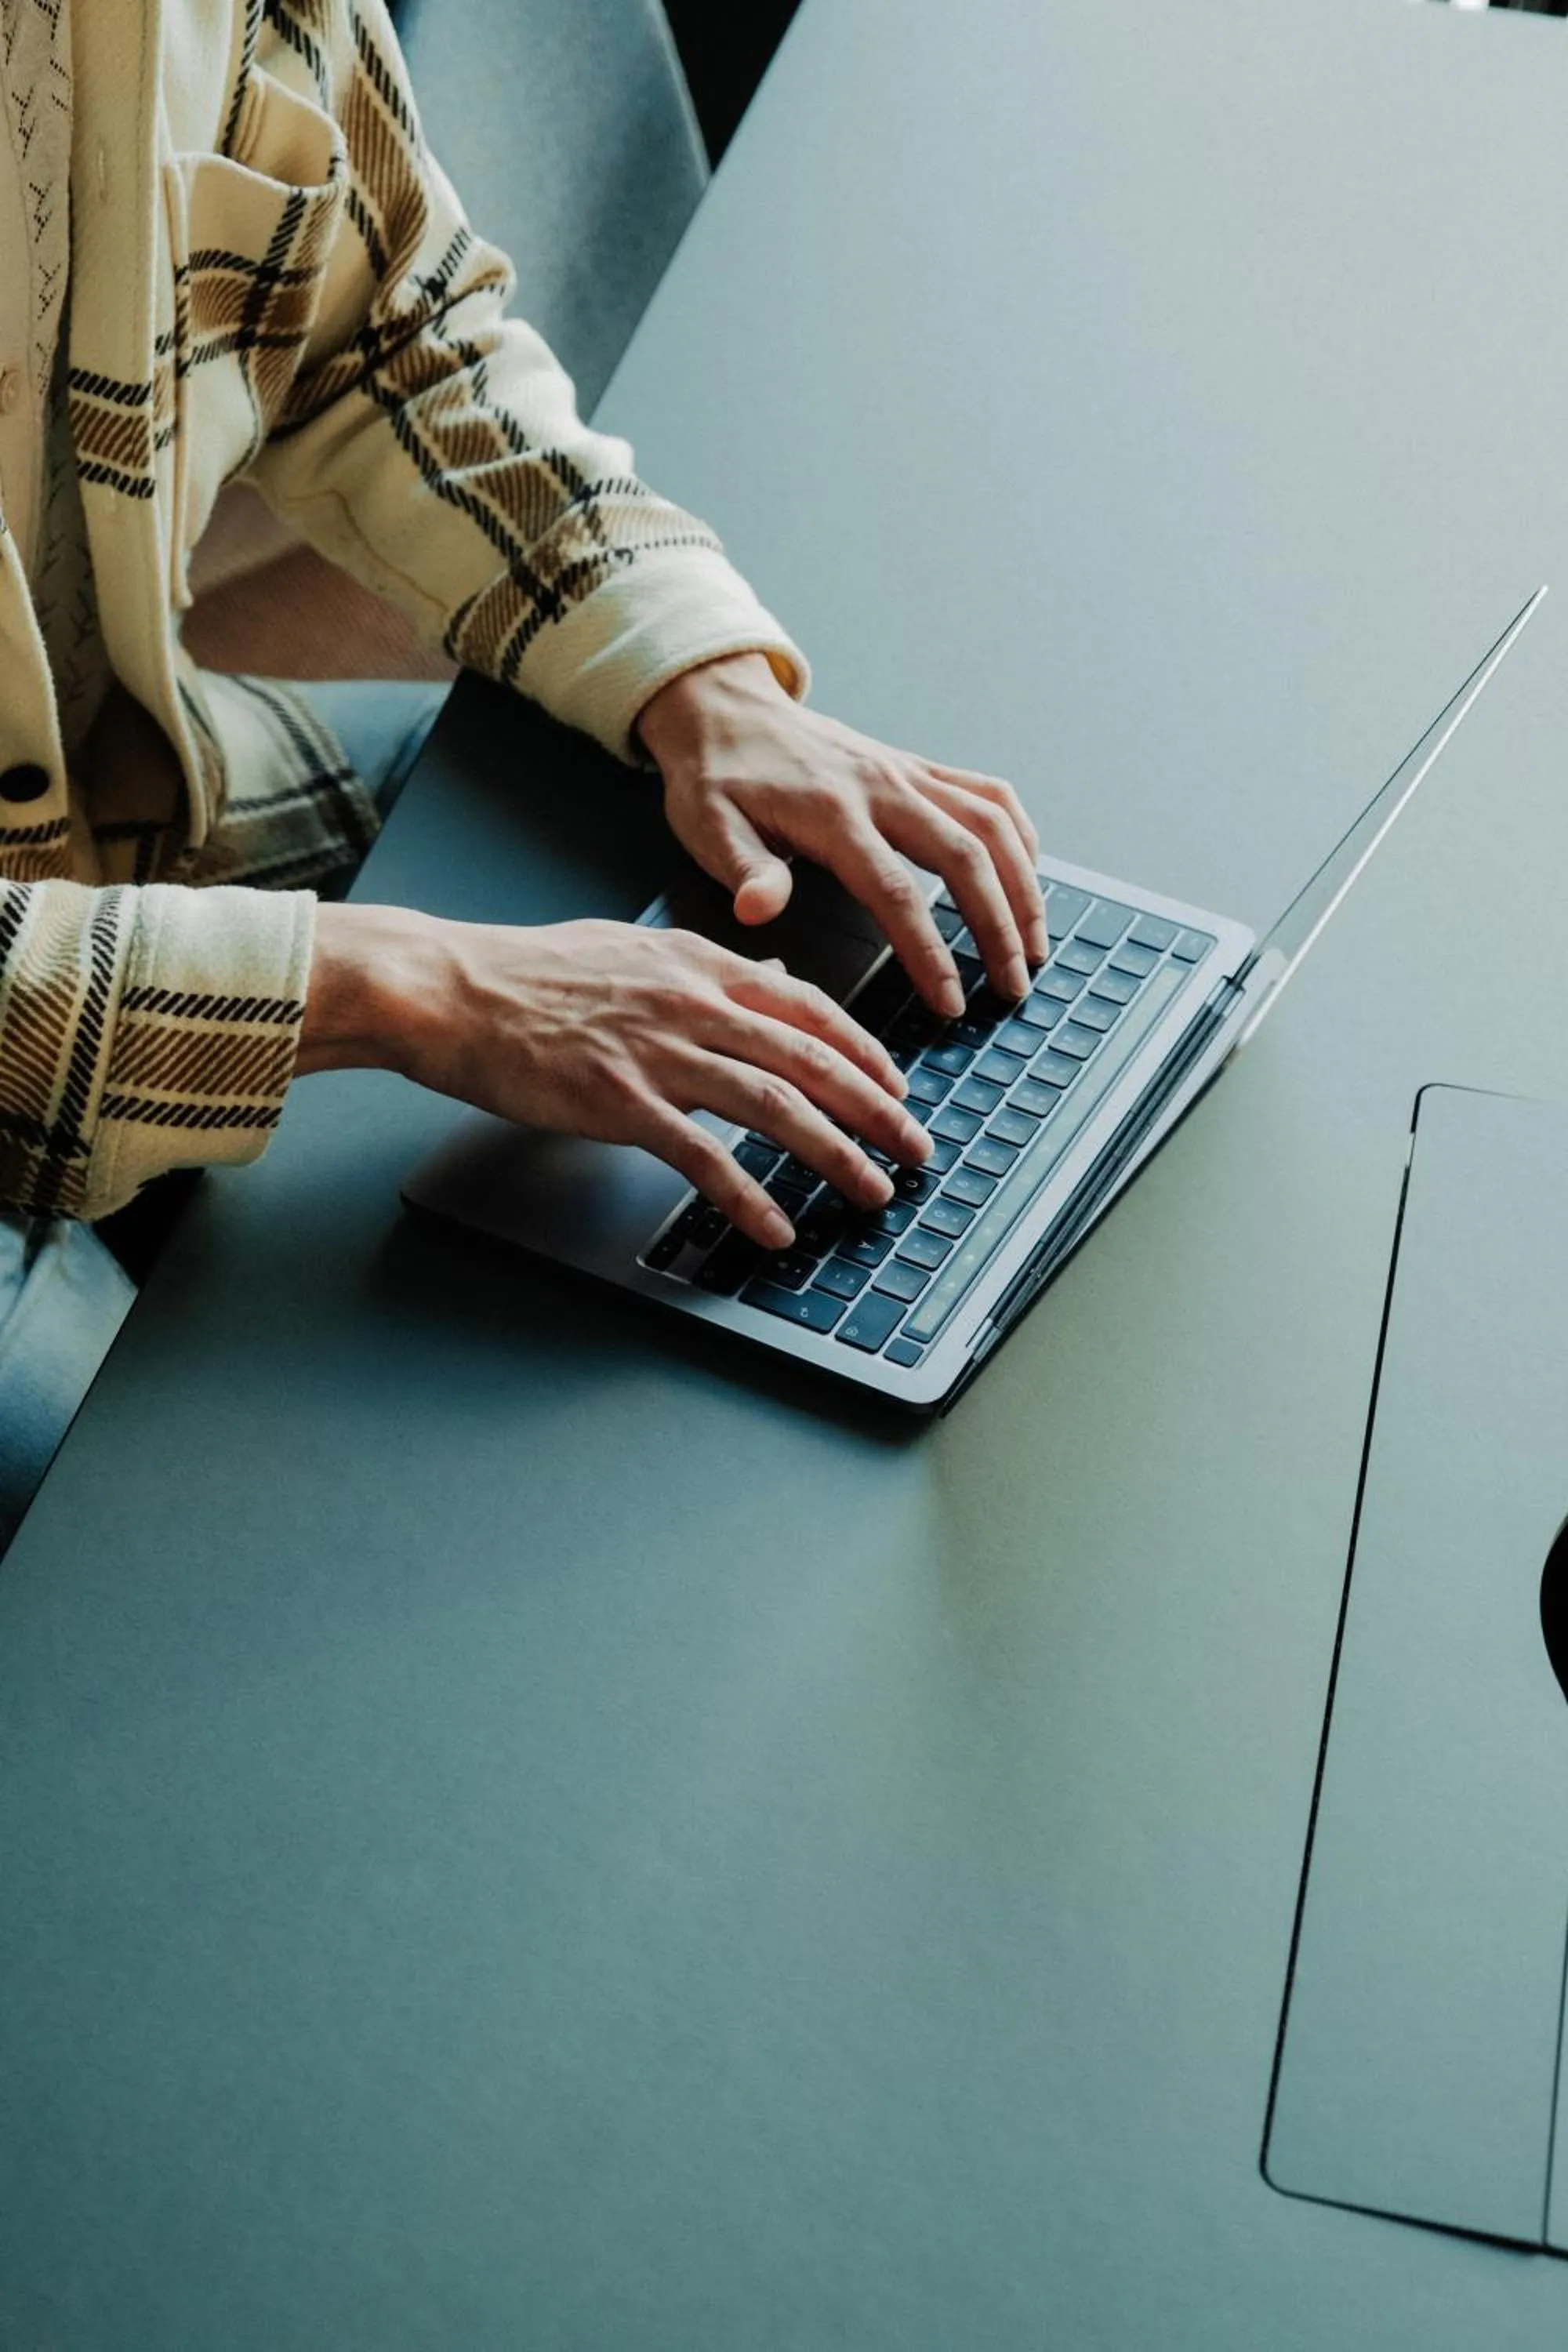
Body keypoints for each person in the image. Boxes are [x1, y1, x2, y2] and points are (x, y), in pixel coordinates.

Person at [0, 0, 1045, 1543]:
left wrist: (688, 668)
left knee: (717, 907)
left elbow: (385, 329)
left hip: (117, 816)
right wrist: (419, 991)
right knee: (211, 1551)